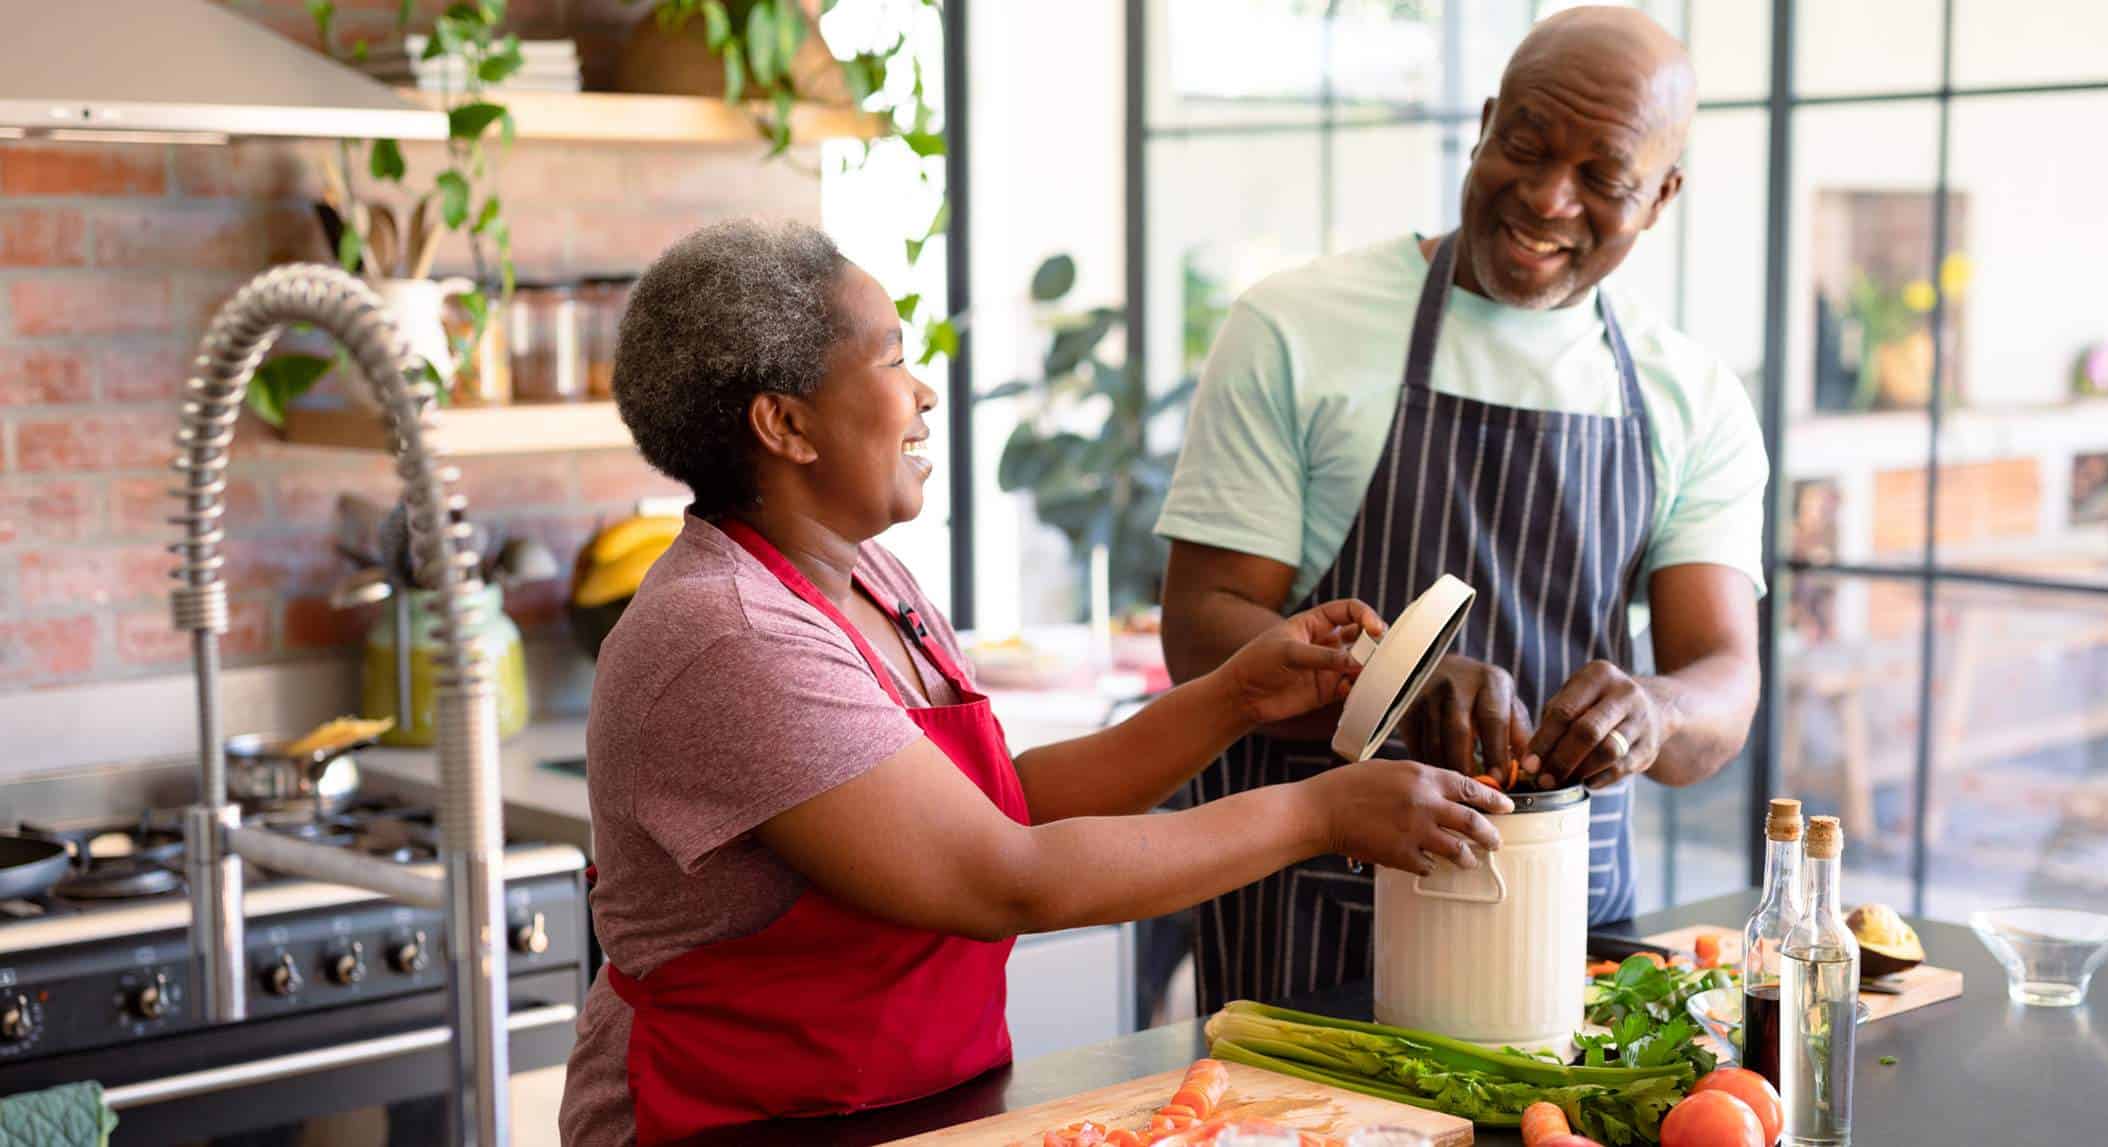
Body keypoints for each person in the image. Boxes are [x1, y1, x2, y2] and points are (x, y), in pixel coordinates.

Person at [557, 219, 1511, 1146]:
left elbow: (995, 807)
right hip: (740, 1121)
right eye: (891, 362)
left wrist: (1234, 698)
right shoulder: (733, 633)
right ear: (786, 424)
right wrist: (1322, 814)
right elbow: (1004, 877)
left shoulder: (867, 579)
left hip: (906, 1098)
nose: (924, 393)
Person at [1156, 6, 1767, 1014]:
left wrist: (1652, 712)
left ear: (1660, 197)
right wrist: (1392, 680)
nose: (1544, 197)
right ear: (1484, 123)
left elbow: (1723, 689)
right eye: (1522, 144)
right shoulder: (1294, 327)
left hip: (1564, 927)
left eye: (1600, 178)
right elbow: (1201, 626)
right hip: (1311, 927)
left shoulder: (1687, 393)